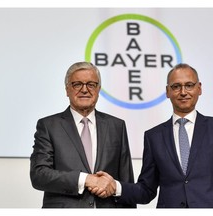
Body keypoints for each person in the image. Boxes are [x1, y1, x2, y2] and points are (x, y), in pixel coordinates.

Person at [93, 63, 213, 208]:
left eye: (189, 85)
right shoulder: (153, 137)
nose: (183, 92)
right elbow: (146, 190)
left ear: (199, 88)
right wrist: (116, 187)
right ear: (168, 91)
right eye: (176, 86)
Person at [30, 61, 135, 208]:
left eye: (91, 84)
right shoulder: (48, 126)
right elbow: (39, 175)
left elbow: (126, 182)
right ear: (67, 89)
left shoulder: (117, 126)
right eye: (77, 84)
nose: (84, 90)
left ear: (98, 89)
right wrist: (85, 179)